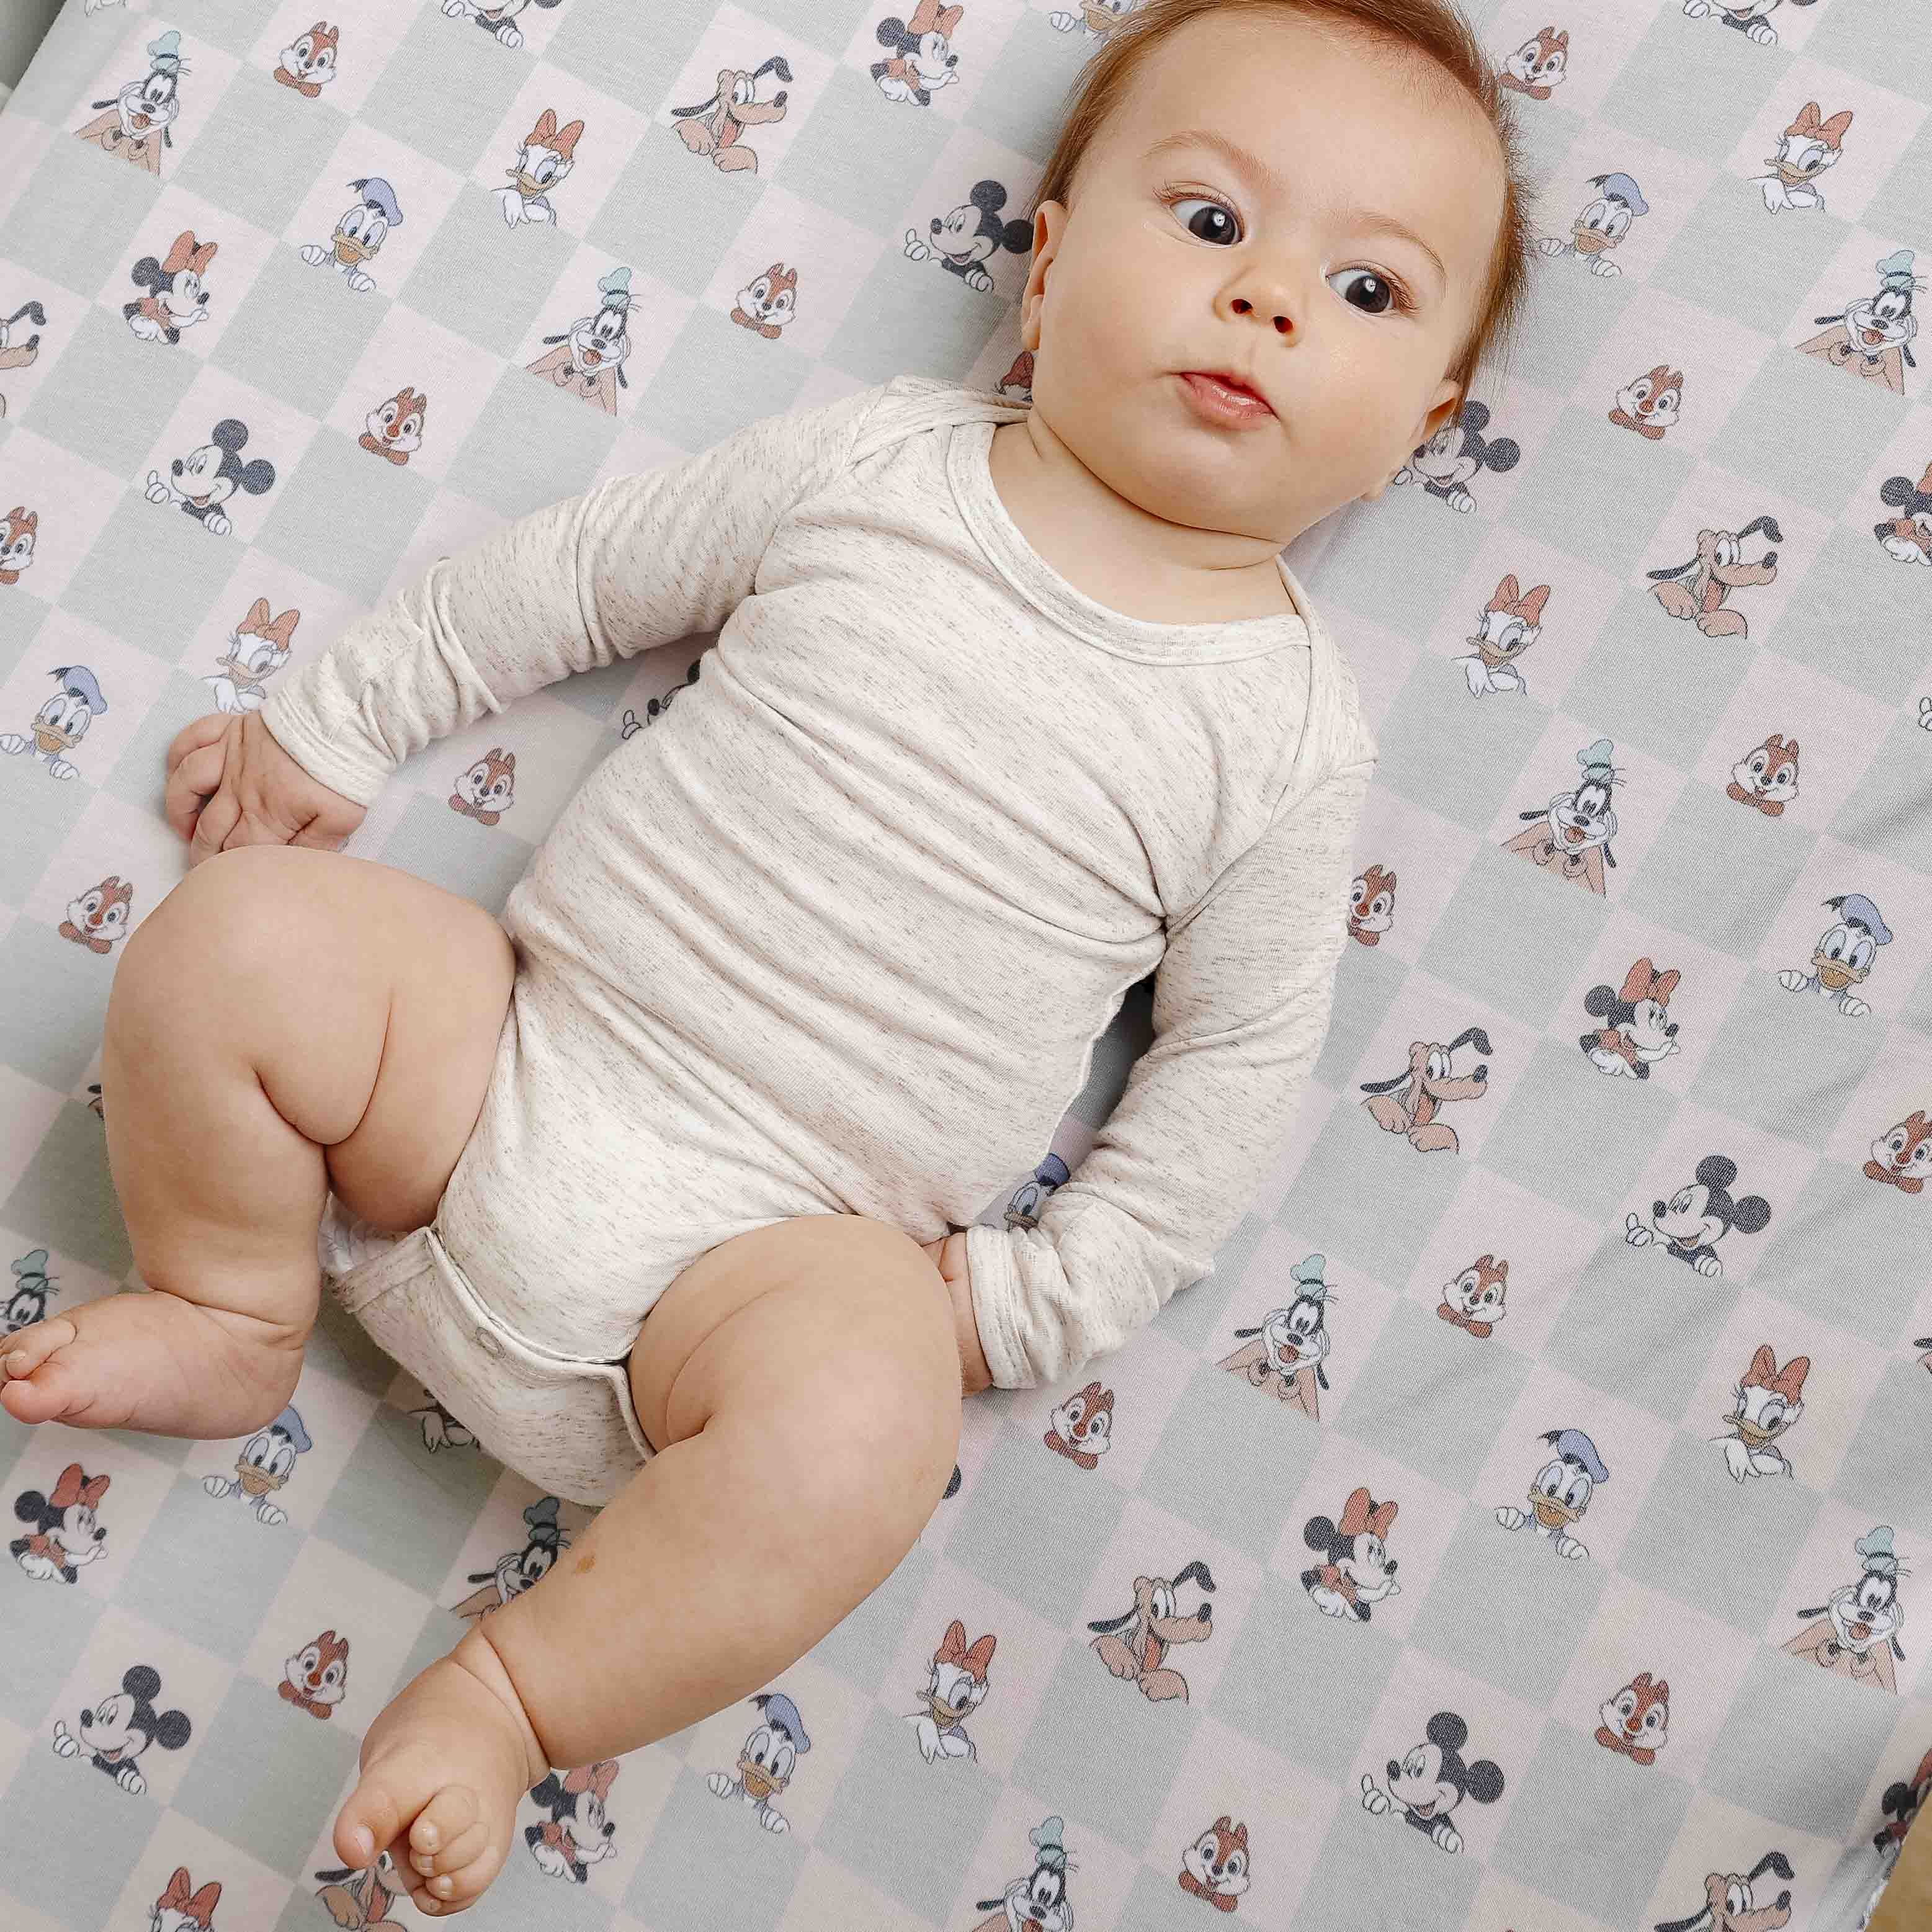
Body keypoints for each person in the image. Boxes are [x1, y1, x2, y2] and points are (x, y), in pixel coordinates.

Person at [1, 0, 1531, 1911]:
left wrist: (1028, 1301)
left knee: (870, 1431)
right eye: (1210, 221)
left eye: (1366, 290)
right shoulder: (881, 465)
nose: (1267, 300)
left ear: (1421, 426)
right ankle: (230, 1304)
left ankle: (511, 1692)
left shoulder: (1287, 739)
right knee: (236, 940)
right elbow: (580, 575)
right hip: (503, 1068)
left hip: (766, 1277)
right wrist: (341, 717)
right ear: (1048, 266)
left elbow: (1230, 1071)